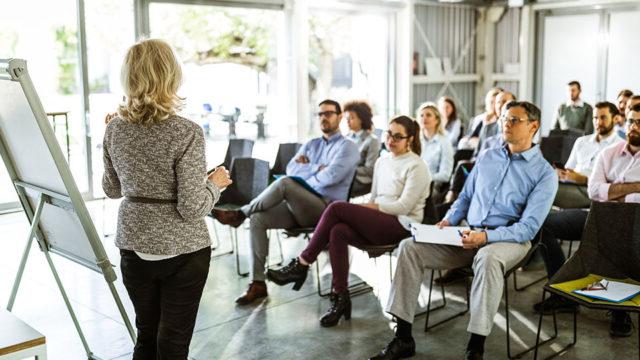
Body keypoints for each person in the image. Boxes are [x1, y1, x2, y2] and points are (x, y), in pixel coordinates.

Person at [370, 101, 557, 360]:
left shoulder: (545, 174)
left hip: (509, 239)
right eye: (505, 118)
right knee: (409, 247)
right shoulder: (488, 155)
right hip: (468, 233)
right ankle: (403, 337)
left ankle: (475, 347)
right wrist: (448, 221)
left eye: (514, 120)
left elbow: (528, 228)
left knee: (488, 257)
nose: (506, 123)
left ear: (533, 126)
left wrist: (486, 237)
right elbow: (465, 197)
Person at [102, 39, 232, 359]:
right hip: (183, 251)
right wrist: (214, 184)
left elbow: (113, 189)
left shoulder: (113, 129)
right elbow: (191, 208)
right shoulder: (186, 131)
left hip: (134, 244)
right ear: (171, 75)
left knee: (146, 334)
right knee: (173, 342)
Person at [266, 115, 430, 327]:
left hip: (401, 225)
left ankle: (302, 263)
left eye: (398, 136)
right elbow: (374, 198)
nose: (391, 139)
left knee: (336, 208)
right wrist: (367, 208)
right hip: (379, 221)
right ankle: (340, 297)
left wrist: (364, 208)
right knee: (338, 231)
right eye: (389, 133)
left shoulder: (417, 166)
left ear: (410, 139)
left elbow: (403, 207)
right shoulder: (382, 161)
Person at [212, 99, 360, 305]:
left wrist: (308, 170)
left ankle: (240, 213)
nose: (323, 117)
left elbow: (331, 177)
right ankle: (258, 283)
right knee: (258, 218)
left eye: (328, 113)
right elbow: (292, 168)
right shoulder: (311, 144)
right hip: (299, 206)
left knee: (286, 184)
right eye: (320, 114)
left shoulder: (348, 147)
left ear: (340, 116)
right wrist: (318, 168)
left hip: (326, 211)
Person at [535, 103, 640, 338]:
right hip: (595, 217)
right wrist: (634, 190)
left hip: (635, 226)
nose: (634, 127)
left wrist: (613, 192)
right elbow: (594, 191)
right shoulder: (609, 153)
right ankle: (562, 295)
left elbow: (604, 191)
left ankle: (619, 310)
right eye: (632, 121)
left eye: (639, 122)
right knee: (546, 225)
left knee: (622, 235)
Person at [552, 102, 623, 208]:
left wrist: (584, 179)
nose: (598, 122)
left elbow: (614, 185)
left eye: (603, 118)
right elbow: (569, 168)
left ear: (615, 119)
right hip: (571, 185)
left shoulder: (621, 147)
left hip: (590, 191)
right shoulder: (581, 141)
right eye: (595, 118)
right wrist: (562, 173)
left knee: (545, 190)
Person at [344, 100, 381, 197]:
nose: (347, 121)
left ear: (361, 119)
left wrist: (346, 169)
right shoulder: (346, 137)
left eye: (351, 118)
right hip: (346, 176)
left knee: (334, 188)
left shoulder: (372, 140)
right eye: (347, 118)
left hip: (362, 180)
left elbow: (370, 170)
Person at [417, 102, 453, 185]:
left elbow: (445, 175)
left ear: (437, 120)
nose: (424, 118)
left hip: (432, 185)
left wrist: (423, 178)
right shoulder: (416, 140)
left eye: (428, 115)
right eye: (421, 115)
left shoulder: (445, 142)